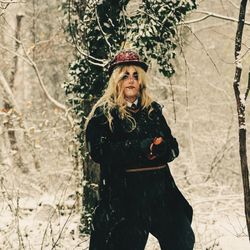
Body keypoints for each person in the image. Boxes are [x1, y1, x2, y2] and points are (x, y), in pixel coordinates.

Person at [85, 49, 195, 250]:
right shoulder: (102, 115)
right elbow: (99, 151)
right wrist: (141, 147)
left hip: (161, 193)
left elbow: (173, 148)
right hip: (125, 196)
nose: (131, 80)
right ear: (116, 80)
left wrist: (160, 149)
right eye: (125, 75)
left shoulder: (152, 111)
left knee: (181, 238)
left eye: (136, 75)